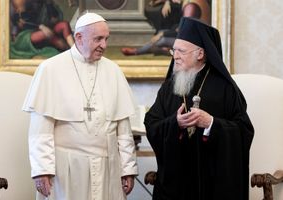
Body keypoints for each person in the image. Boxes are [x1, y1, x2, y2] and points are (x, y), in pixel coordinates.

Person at [22, 12, 138, 200]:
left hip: (108, 168)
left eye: (106, 39)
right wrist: (42, 169)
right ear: (78, 37)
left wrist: (128, 168)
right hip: (66, 168)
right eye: (98, 39)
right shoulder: (50, 69)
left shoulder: (113, 71)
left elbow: (123, 128)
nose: (104, 45)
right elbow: (40, 129)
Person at [144, 17, 254, 200]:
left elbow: (244, 131)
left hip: (214, 185)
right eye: (174, 50)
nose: (175, 55)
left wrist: (211, 123)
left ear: (200, 53)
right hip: (175, 185)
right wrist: (175, 123)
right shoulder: (169, 87)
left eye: (181, 51)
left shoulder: (225, 88)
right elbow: (151, 123)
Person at [121, 2, 202, 56]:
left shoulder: (191, 8)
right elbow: (176, 27)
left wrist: (161, 35)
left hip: (185, 42)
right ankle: (167, 51)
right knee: (160, 34)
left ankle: (136, 52)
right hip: (177, 36)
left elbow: (181, 32)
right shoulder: (179, 6)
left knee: (162, 39)